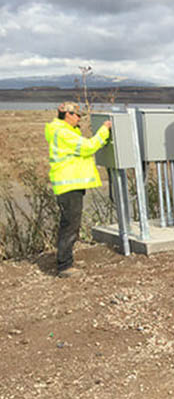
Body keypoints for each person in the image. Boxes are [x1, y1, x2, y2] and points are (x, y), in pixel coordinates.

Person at [44, 102, 112, 278]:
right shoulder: (63, 132)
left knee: (71, 223)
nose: (79, 118)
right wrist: (104, 130)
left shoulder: (65, 131)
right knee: (70, 225)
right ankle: (65, 266)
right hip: (68, 185)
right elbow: (88, 147)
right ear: (67, 115)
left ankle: (66, 260)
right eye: (76, 115)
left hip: (71, 184)